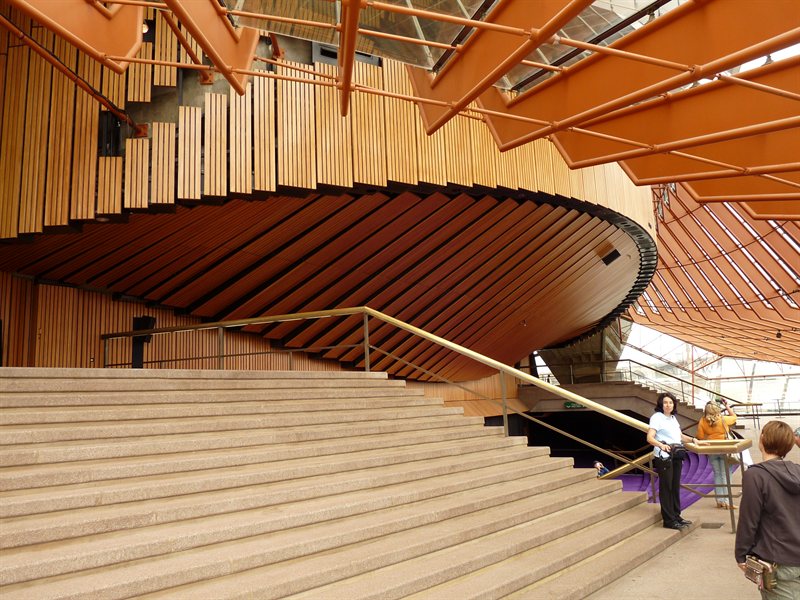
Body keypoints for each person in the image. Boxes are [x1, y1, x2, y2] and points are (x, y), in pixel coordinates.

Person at [735, 420, 800, 599]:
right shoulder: (797, 470)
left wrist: (741, 555)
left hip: (778, 559)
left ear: (762, 439)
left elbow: (749, 519)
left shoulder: (755, 475)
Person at [646, 392, 704, 530]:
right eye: (665, 402)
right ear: (661, 404)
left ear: (674, 405)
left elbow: (679, 436)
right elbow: (650, 437)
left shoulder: (672, 418)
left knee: (675, 486)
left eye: (670, 403)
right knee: (667, 488)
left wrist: (693, 440)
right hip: (664, 457)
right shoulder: (657, 417)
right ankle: (669, 520)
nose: (668, 405)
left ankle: (676, 516)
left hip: (676, 455)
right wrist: (661, 445)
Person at [697, 398, 738, 509]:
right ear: (718, 410)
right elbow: (734, 417)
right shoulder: (723, 419)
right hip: (725, 449)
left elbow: (700, 437)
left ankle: (720, 500)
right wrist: (727, 406)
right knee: (726, 475)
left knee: (717, 474)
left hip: (712, 450)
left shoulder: (702, 421)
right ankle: (727, 501)